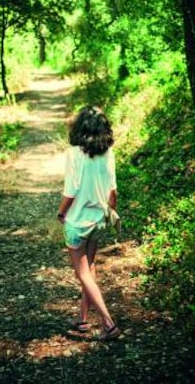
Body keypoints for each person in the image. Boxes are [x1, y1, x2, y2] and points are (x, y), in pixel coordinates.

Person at [57, 105, 121, 341]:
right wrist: (110, 210)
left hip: (77, 222)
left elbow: (71, 191)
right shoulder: (108, 152)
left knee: (83, 274)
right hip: (97, 221)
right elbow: (113, 191)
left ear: (80, 127)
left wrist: (61, 213)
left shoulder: (74, 153)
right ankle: (83, 319)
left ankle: (109, 324)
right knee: (90, 270)